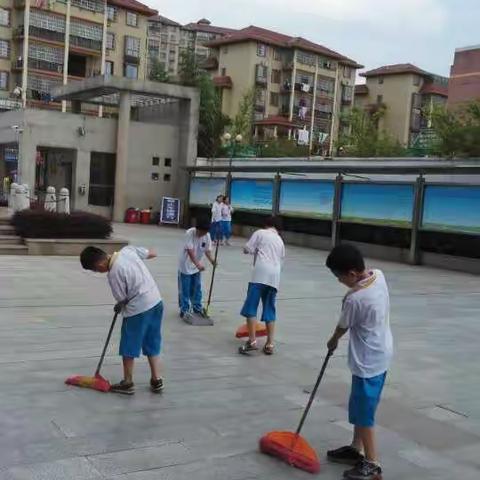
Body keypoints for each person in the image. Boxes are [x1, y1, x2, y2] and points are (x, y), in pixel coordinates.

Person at [325, 244, 393, 480]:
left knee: (363, 413)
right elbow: (366, 280)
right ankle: (356, 449)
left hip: (368, 361)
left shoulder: (356, 299)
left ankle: (372, 464)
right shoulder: (378, 276)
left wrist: (332, 341)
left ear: (352, 274)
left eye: (338, 276)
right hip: (381, 353)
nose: (338, 280)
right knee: (362, 406)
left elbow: (343, 326)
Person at [80, 245, 164, 395]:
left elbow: (122, 298)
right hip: (156, 301)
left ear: (99, 265)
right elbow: (151, 253)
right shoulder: (128, 250)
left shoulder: (114, 273)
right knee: (152, 340)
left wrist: (119, 306)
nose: (98, 272)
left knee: (129, 344)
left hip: (138, 309)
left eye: (95, 270)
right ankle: (156, 379)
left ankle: (128, 382)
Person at [238, 216, 285, 355]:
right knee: (269, 309)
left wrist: (248, 250)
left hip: (260, 274)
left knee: (251, 307)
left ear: (266, 225)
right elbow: (281, 260)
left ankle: (252, 341)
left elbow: (247, 248)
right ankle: (270, 344)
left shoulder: (260, 233)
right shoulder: (280, 240)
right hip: (274, 277)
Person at [178, 216, 216, 318]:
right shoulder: (189, 233)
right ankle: (184, 309)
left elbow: (207, 250)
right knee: (185, 289)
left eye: (204, 232)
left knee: (197, 287)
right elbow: (190, 251)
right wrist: (198, 264)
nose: (202, 234)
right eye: (201, 232)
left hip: (196, 266)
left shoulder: (207, 235)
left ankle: (197, 308)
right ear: (197, 228)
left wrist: (212, 260)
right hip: (186, 266)